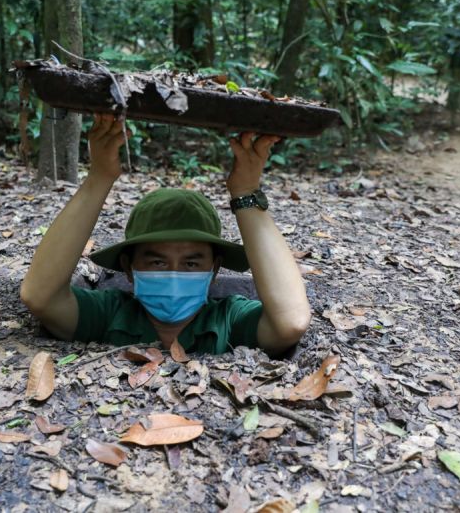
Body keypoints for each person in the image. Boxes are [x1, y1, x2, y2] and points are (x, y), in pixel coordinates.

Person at [20, 114, 311, 357]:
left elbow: (292, 322)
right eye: (157, 263)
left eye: (191, 264)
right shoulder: (109, 314)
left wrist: (245, 192)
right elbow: (40, 297)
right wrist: (99, 177)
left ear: (215, 270)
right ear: (128, 269)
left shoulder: (228, 319)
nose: (174, 275)